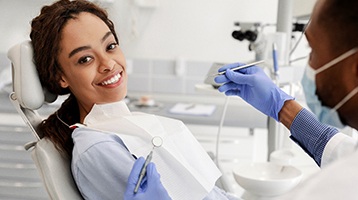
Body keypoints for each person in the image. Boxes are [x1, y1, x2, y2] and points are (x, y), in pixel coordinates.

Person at [29, 0, 236, 199]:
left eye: (110, 46)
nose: (108, 64)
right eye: (85, 59)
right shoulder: (97, 147)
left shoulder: (115, 126)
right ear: (60, 76)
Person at [215, 0, 358, 199]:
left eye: (313, 50)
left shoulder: (336, 185)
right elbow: (338, 149)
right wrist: (280, 106)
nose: (309, 65)